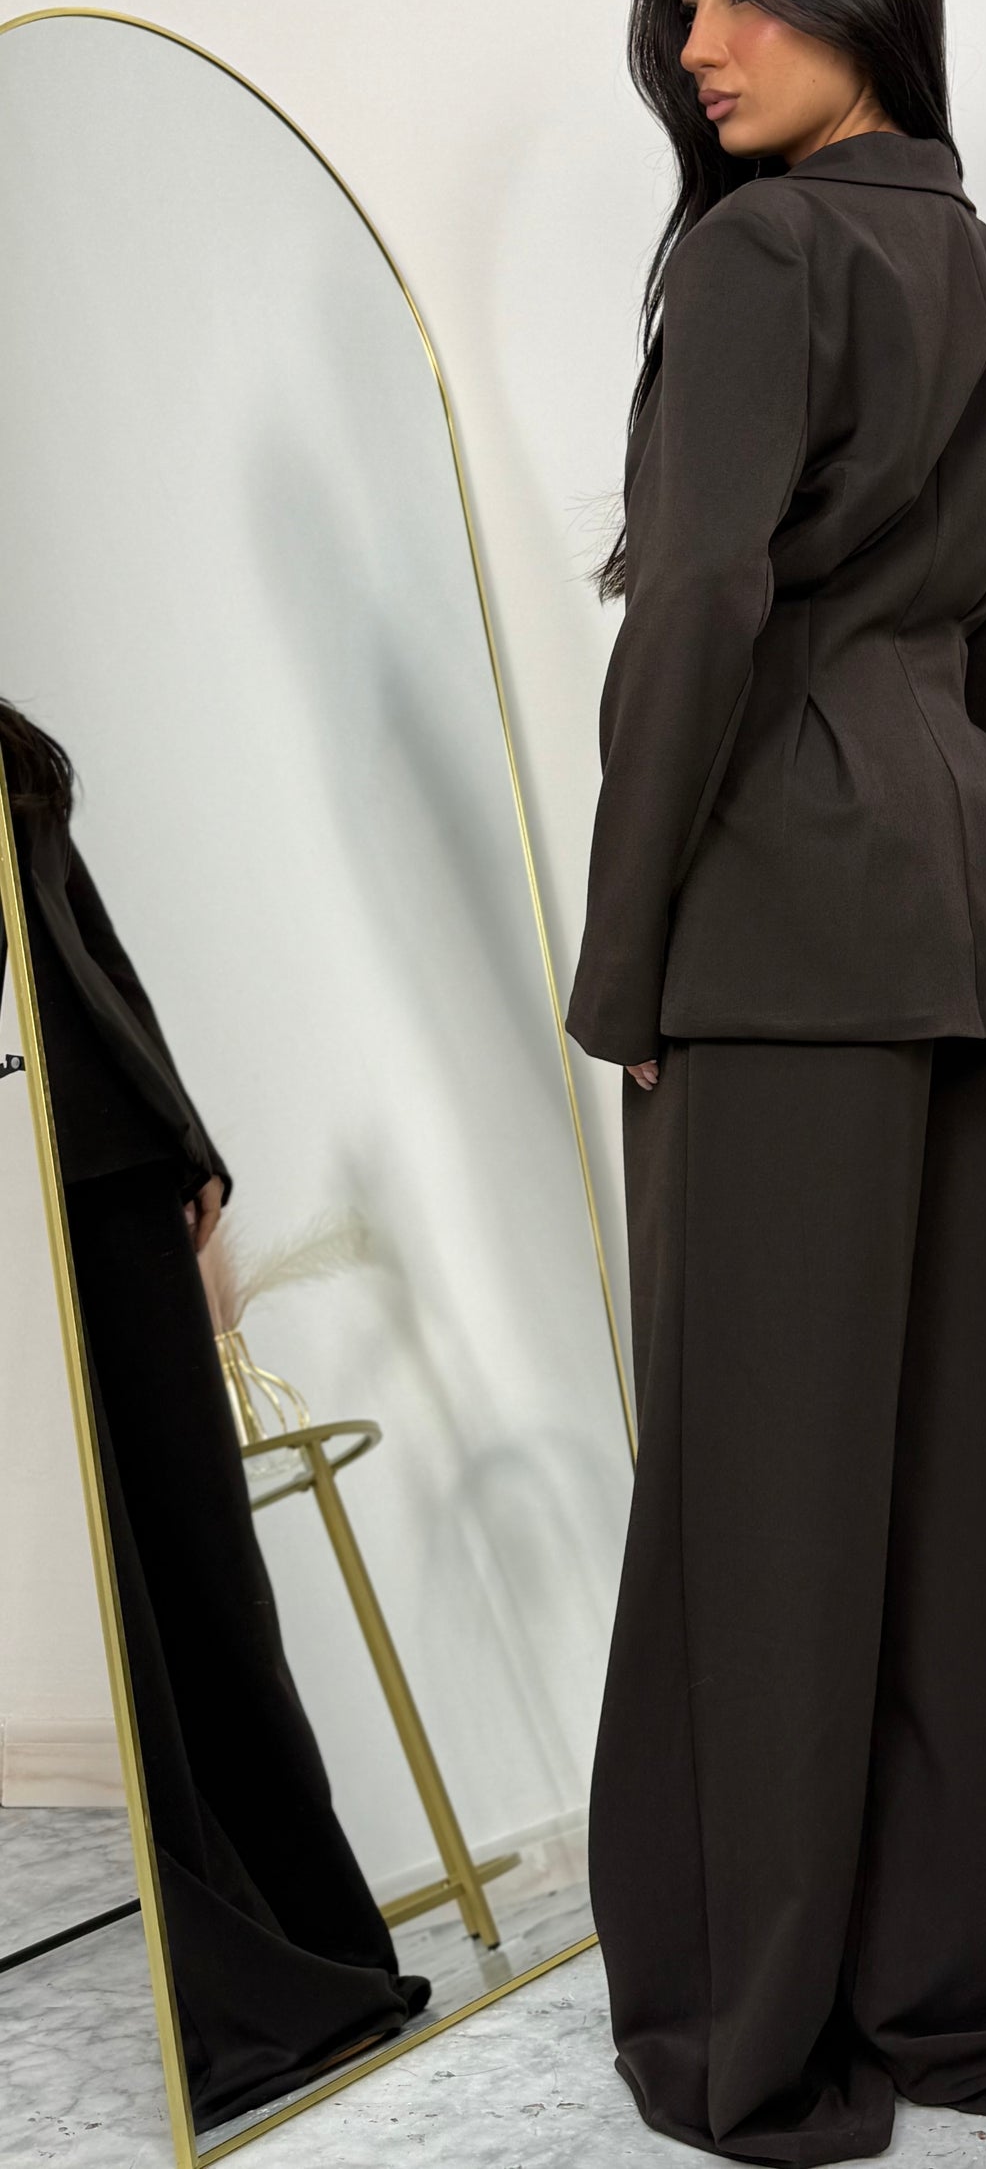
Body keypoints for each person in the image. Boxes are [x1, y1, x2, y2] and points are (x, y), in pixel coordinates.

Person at [566, 0, 986, 2165]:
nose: (702, 41)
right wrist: (940, 847)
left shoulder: (765, 254)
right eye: (684, 1)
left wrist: (625, 954)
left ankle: (750, 2033)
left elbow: (694, 609)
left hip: (772, 931)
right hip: (954, 915)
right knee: (942, 1494)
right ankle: (943, 1999)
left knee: (760, 1503)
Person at [0, 699, 429, 2131]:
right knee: (124, 1598)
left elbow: (87, 944)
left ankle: (317, 1950)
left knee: (207, 1580)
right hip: (28, 1185)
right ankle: (238, 1978)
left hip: (112, 1167)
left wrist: (190, 1144)